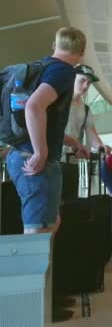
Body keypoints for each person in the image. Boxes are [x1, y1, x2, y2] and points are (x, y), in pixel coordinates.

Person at [6, 27, 86, 235]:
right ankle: (31, 269)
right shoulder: (63, 71)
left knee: (49, 223)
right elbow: (34, 106)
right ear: (82, 52)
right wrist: (41, 152)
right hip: (34, 160)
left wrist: (75, 143)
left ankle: (43, 268)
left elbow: (45, 121)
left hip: (19, 154)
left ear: (54, 46)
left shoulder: (42, 67)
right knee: (37, 232)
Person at [61, 64, 112, 200]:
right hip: (53, 161)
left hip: (72, 162)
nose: (85, 86)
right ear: (72, 78)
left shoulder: (85, 109)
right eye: (82, 80)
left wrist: (100, 146)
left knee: (69, 205)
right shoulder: (58, 102)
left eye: (89, 83)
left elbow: (91, 133)